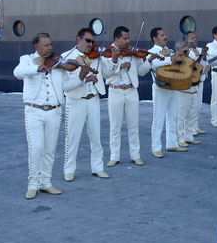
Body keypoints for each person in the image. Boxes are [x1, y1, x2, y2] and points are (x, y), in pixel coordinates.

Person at [13, 33, 87, 199]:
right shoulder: (27, 59)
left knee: (50, 149)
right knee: (36, 148)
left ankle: (46, 182)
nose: (50, 48)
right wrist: (37, 69)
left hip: (54, 110)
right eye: (46, 45)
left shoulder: (58, 63)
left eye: (51, 44)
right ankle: (33, 184)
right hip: (34, 110)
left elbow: (66, 86)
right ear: (36, 46)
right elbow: (17, 72)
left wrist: (81, 77)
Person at [62, 28, 109, 181]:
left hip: (93, 98)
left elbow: (107, 73)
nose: (91, 44)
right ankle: (69, 169)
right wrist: (83, 79)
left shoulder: (95, 57)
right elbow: (65, 86)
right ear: (79, 39)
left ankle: (98, 167)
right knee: (72, 137)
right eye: (88, 41)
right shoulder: (67, 57)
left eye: (92, 42)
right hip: (76, 101)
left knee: (96, 136)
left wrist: (114, 61)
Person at [102, 26, 150, 167]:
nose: (128, 41)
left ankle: (136, 155)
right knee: (115, 126)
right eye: (125, 38)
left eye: (128, 38)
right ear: (116, 39)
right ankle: (114, 156)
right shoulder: (106, 53)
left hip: (131, 90)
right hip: (115, 91)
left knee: (133, 125)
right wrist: (119, 65)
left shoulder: (132, 52)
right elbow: (105, 73)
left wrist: (149, 61)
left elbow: (141, 71)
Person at [148, 27, 187, 158]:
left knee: (173, 116)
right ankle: (155, 147)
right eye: (162, 35)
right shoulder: (151, 52)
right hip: (160, 88)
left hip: (173, 86)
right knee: (158, 119)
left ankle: (172, 143)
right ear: (155, 38)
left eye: (165, 34)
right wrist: (173, 58)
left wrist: (181, 58)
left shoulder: (169, 51)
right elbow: (155, 64)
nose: (165, 37)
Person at [175, 39, 202, 147]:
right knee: (180, 117)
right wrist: (184, 54)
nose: (187, 48)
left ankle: (189, 136)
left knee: (191, 115)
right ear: (178, 49)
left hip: (193, 90)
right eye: (184, 46)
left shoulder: (191, 57)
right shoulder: (175, 58)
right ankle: (179, 138)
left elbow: (197, 67)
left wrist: (201, 56)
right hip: (182, 92)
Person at [184, 31, 209, 137]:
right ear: (187, 40)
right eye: (192, 38)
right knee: (189, 107)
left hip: (200, 80)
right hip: (190, 82)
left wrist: (204, 56)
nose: (194, 39)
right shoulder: (185, 51)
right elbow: (192, 65)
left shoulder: (200, 50)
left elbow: (206, 64)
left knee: (198, 105)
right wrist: (200, 57)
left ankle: (195, 126)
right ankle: (188, 130)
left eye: (195, 37)